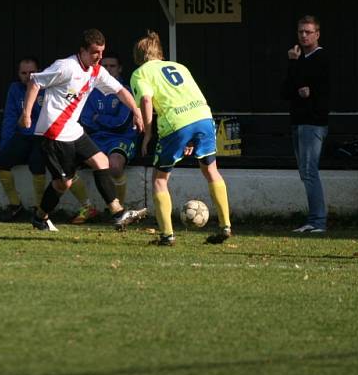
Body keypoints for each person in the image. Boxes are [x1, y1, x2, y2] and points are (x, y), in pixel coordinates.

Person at [19, 28, 148, 231]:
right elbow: (35, 82)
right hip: (52, 133)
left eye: (102, 52)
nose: (99, 57)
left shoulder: (97, 71)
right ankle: (40, 217)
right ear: (83, 51)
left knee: (102, 161)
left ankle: (117, 212)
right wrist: (26, 114)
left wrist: (136, 111)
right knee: (63, 183)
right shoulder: (65, 67)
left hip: (73, 130)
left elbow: (121, 90)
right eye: (95, 52)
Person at [130, 31, 232, 246]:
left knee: (159, 178)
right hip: (203, 116)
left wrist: (148, 133)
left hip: (176, 123)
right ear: (160, 53)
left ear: (138, 56)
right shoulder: (180, 67)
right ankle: (225, 225)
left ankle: (167, 235)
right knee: (211, 170)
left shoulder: (140, 73)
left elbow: (146, 100)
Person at [71, 52, 138, 224]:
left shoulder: (126, 91)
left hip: (121, 138)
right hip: (95, 138)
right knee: (66, 164)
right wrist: (100, 121)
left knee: (114, 165)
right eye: (105, 66)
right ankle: (87, 207)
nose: (108, 69)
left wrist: (98, 118)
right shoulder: (90, 90)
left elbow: (121, 123)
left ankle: (118, 210)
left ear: (120, 69)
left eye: (112, 66)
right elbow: (84, 119)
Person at [283, 15, 330, 234]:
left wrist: (297, 73)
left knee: (310, 171)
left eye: (308, 32)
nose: (303, 35)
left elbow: (309, 90)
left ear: (317, 34)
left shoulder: (322, 59)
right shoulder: (299, 59)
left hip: (313, 122)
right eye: (301, 32)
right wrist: (294, 66)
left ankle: (318, 221)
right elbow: (286, 90)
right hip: (297, 121)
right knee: (305, 172)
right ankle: (314, 220)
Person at [0, 57, 47, 222]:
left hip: (42, 137)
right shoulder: (15, 89)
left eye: (32, 72)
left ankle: (40, 208)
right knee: (1, 160)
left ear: (39, 72)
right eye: (24, 73)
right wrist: (4, 145)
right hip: (23, 136)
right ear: (19, 74)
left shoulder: (47, 88)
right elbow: (9, 119)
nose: (28, 76)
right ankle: (15, 205)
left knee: (37, 163)